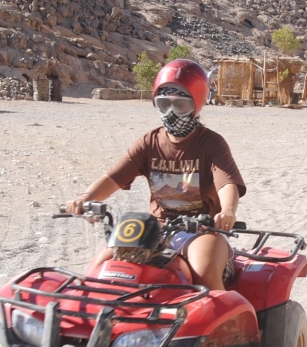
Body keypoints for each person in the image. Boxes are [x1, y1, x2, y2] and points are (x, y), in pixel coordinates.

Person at [66, 59, 245, 290]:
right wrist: (86, 198)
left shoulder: (212, 143)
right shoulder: (149, 142)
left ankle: (223, 311)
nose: (171, 112)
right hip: (155, 228)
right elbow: (114, 177)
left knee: (204, 271)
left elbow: (226, 183)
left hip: (201, 229)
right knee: (100, 267)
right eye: (163, 104)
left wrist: (228, 210)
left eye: (180, 104)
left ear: (196, 103)